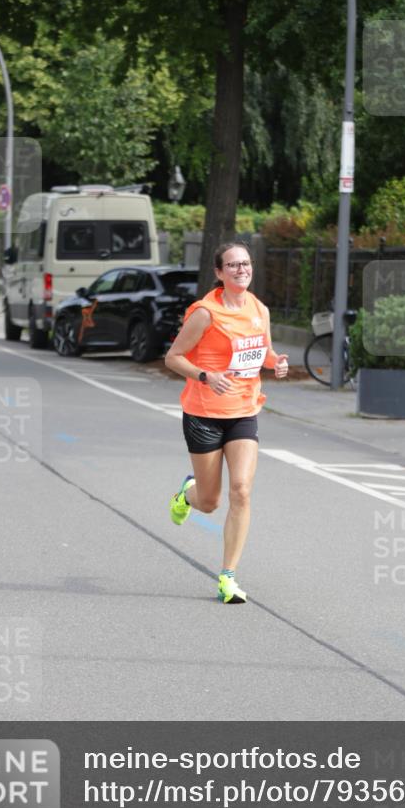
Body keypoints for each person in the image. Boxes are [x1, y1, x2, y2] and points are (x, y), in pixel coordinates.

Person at [165, 241, 289, 604]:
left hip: (243, 411)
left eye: (246, 264)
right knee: (209, 501)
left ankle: (228, 577)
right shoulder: (205, 313)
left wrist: (276, 362)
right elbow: (173, 357)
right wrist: (204, 375)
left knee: (241, 491)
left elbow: (262, 353)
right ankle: (186, 495)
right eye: (232, 265)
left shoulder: (259, 309)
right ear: (219, 273)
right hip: (204, 414)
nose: (241, 270)